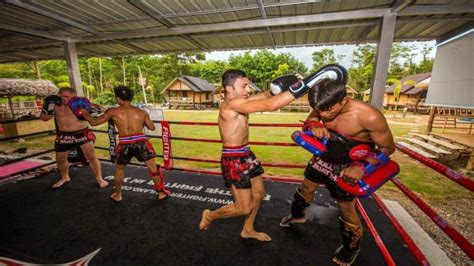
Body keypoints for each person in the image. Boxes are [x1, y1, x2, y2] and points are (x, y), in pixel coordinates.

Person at [279, 78, 396, 265]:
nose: (323, 114)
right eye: (320, 110)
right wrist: (314, 125)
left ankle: (351, 247)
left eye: (328, 110)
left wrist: (361, 167)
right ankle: (297, 215)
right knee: (306, 187)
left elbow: (388, 147)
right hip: (323, 157)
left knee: (345, 207)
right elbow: (311, 119)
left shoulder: (369, 116)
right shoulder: (322, 103)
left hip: (348, 166)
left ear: (344, 100)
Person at [198, 69, 313, 242]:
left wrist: (282, 86)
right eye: (243, 86)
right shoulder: (231, 104)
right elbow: (270, 105)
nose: (247, 90)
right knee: (244, 207)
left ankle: (248, 229)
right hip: (234, 159)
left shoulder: (240, 100)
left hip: (246, 153)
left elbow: (266, 96)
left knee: (258, 194)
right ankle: (210, 216)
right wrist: (304, 86)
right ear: (229, 89)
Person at [79, 86, 170, 202]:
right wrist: (141, 122)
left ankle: (118, 195)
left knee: (120, 170)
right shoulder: (141, 112)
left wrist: (85, 113)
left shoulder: (113, 111)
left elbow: (94, 122)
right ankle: (161, 193)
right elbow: (152, 128)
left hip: (125, 144)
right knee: (153, 169)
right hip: (141, 142)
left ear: (118, 99)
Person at [39, 87, 108, 188]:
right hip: (64, 135)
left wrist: (91, 109)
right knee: (60, 159)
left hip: (82, 133)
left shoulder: (79, 103)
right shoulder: (53, 104)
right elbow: (44, 118)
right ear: (59, 96)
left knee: (91, 156)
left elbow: (102, 109)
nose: (69, 100)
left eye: (72, 97)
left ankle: (99, 178)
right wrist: (47, 107)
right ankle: (65, 177)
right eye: (66, 97)